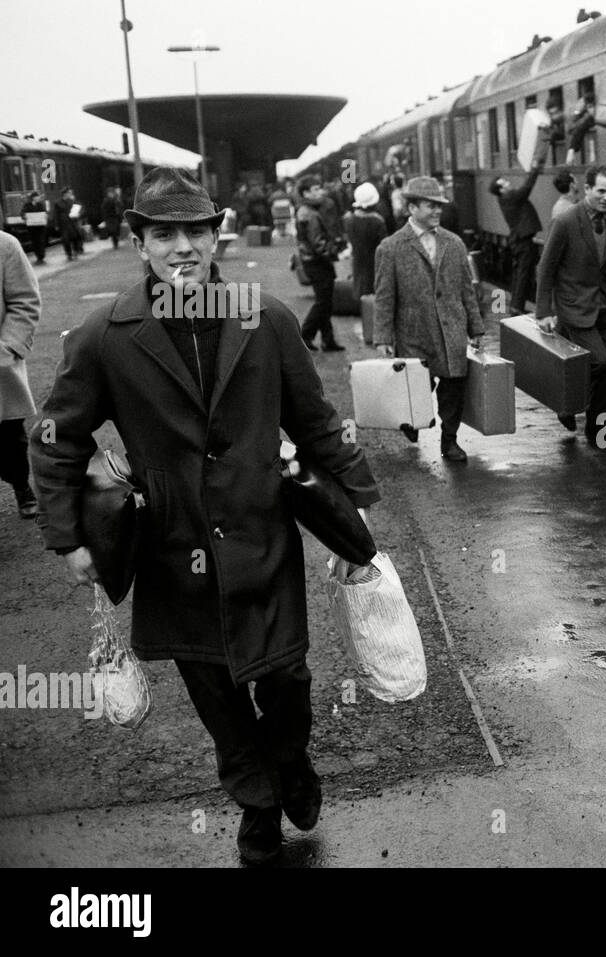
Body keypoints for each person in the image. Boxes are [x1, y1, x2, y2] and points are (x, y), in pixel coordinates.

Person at [27, 166, 380, 864]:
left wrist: (358, 518)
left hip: (262, 539)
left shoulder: (269, 320)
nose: (182, 247)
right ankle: (256, 804)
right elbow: (59, 437)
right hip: (172, 549)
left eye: (195, 230)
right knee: (216, 696)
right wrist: (67, 537)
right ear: (142, 244)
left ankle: (291, 761)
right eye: (165, 234)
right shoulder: (106, 334)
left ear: (215, 236)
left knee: (289, 681)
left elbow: (317, 422)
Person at [372, 176, 484, 461]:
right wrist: (383, 338)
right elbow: (384, 297)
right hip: (414, 331)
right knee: (418, 385)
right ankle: (413, 418)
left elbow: (466, 290)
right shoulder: (391, 247)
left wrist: (476, 328)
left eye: (439, 206)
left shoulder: (454, 243)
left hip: (451, 330)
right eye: (429, 205)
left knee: (453, 387)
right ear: (411, 208)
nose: (437, 211)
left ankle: (450, 441)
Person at [535, 165, 606, 441]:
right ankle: (565, 401)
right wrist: (543, 311)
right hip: (574, 305)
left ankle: (596, 426)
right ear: (588, 189)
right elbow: (546, 269)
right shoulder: (566, 221)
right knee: (600, 361)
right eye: (601, 191)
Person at [0, 230, 40, 519]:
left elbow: (24, 301)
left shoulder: (5, 246)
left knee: (9, 440)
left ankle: (20, 484)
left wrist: (7, 348)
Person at [489, 157, 544, 315]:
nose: (507, 182)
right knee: (523, 274)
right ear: (500, 189)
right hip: (523, 241)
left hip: (519, 239)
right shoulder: (510, 197)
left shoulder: (504, 198)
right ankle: (517, 307)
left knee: (521, 273)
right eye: (503, 182)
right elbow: (526, 188)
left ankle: (516, 305)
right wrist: (534, 170)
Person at [296, 175, 344, 352]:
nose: (320, 192)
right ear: (306, 193)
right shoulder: (309, 213)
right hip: (317, 262)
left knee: (326, 301)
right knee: (323, 302)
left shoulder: (308, 210)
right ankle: (304, 336)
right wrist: (334, 252)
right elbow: (317, 243)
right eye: (315, 189)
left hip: (313, 261)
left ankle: (327, 339)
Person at [343, 182, 389, 300]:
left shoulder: (350, 220)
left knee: (362, 291)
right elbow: (384, 246)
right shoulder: (378, 221)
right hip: (375, 262)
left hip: (358, 261)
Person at [53, 188, 84, 261]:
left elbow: (78, 209)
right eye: (68, 193)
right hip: (63, 224)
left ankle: (75, 251)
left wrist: (78, 214)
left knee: (75, 238)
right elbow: (56, 214)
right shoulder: (57, 203)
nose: (70, 194)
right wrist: (56, 224)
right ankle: (69, 254)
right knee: (65, 240)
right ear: (65, 194)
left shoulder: (72, 201)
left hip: (72, 222)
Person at [21, 192, 49, 265]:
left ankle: (41, 256)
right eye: (37, 197)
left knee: (41, 240)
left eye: (38, 197)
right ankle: (38, 256)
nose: (38, 198)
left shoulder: (41, 205)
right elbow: (22, 213)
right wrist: (24, 216)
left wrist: (45, 215)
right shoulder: (27, 205)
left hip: (41, 227)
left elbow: (45, 212)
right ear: (33, 198)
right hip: (32, 227)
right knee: (34, 241)